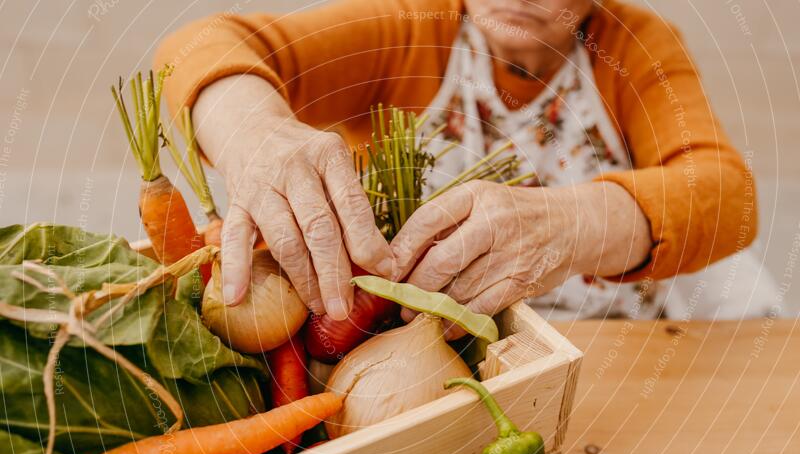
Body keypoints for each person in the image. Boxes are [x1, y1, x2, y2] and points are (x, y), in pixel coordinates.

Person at [155, 0, 767, 329]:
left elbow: (727, 195)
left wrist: (573, 222)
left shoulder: (634, 43)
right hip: (431, 343)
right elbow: (198, 45)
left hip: (612, 340)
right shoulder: (408, 24)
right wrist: (257, 134)